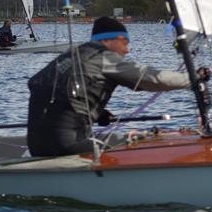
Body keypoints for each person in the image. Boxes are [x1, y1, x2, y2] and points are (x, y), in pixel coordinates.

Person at [27, 16, 194, 157]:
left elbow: (55, 92)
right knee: (118, 154)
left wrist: (98, 113)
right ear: (106, 40)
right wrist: (193, 79)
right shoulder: (103, 58)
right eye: (124, 42)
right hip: (67, 144)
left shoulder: (69, 55)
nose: (127, 50)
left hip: (36, 146)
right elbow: (152, 79)